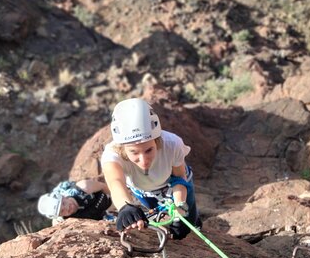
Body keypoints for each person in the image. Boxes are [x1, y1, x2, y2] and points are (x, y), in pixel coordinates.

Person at [101, 98, 201, 239]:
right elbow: (115, 181)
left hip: (173, 182)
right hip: (144, 190)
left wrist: (179, 206)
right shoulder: (111, 155)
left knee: (188, 220)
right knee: (159, 217)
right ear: (122, 148)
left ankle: (195, 222)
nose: (143, 160)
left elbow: (180, 178)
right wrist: (125, 206)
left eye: (149, 150)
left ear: (157, 140)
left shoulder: (172, 144)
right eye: (134, 152)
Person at [38, 178, 112, 224]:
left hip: (110, 203)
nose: (67, 208)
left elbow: (104, 187)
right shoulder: (61, 222)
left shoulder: (84, 187)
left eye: (63, 203)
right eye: (62, 211)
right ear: (60, 216)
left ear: (63, 197)